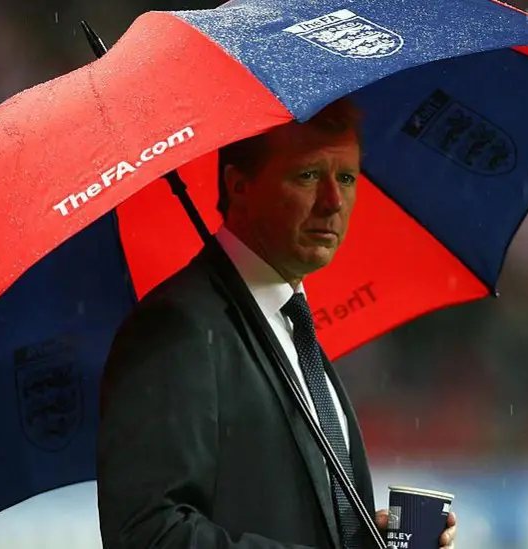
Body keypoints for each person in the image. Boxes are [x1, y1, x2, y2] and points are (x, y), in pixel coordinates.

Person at [96, 99, 458, 548]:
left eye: (346, 178)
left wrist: (367, 539)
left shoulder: (290, 323)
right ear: (239, 186)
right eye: (308, 175)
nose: (333, 201)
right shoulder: (175, 326)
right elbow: (148, 534)